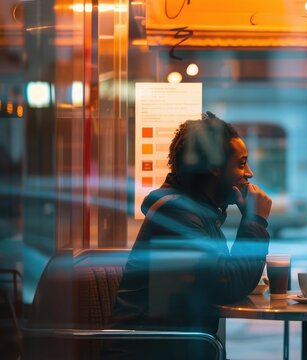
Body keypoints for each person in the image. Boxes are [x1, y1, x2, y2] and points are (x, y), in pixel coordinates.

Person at [108, 112, 272, 358]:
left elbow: (224, 279)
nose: (249, 173)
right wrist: (255, 220)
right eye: (241, 163)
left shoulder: (196, 212)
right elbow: (228, 285)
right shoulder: (177, 213)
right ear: (214, 167)